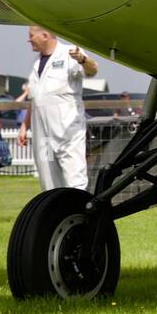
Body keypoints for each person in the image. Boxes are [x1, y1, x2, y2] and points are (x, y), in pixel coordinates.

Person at [17, 26, 97, 191]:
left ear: (45, 36)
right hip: (43, 138)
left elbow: (92, 70)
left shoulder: (70, 53)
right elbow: (35, 98)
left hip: (68, 133)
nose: (29, 39)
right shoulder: (35, 63)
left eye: (31, 35)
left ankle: (79, 214)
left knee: (75, 181)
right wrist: (24, 126)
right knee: (49, 183)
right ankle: (56, 216)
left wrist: (82, 59)